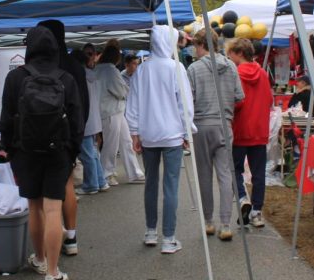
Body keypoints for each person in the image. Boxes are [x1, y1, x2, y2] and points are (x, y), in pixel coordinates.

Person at [0, 26, 85, 280]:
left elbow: (6, 120)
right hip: (58, 151)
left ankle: (38, 258)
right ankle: (53, 271)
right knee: (52, 208)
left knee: (34, 207)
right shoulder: (66, 78)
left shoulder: (16, 78)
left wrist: (12, 151)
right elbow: (77, 121)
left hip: (25, 151)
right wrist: (71, 152)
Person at [126, 26, 195, 253]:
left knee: (151, 184)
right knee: (171, 186)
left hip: (148, 135)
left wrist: (135, 133)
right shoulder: (176, 68)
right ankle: (169, 237)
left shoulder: (142, 70)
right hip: (172, 134)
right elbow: (184, 104)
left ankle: (150, 231)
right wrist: (186, 131)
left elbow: (133, 105)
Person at [188, 28, 244, 240]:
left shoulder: (193, 69)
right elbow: (239, 96)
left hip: (202, 124)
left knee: (204, 175)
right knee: (225, 174)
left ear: (201, 44)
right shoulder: (231, 66)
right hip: (224, 123)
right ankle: (226, 223)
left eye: (195, 45)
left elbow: (189, 100)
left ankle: (209, 222)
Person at [38, 19, 88, 256]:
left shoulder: (35, 66)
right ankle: (71, 237)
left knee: (43, 195)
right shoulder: (73, 66)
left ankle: (47, 246)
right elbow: (83, 105)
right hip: (66, 137)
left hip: (36, 139)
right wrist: (76, 139)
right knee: (66, 184)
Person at [228, 37, 273, 228]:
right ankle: (256, 212)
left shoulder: (235, 74)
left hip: (240, 129)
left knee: (234, 169)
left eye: (230, 53)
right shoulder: (262, 73)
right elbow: (270, 100)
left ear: (239, 53)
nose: (228, 56)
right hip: (259, 130)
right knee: (258, 173)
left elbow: (236, 102)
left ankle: (241, 198)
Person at [97, 45, 143, 185]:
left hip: (112, 110)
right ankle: (107, 174)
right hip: (112, 110)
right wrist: (127, 91)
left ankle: (133, 172)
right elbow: (120, 91)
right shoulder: (110, 70)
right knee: (113, 144)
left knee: (124, 142)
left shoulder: (100, 69)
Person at [74, 45, 108, 195]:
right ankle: (100, 181)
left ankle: (91, 184)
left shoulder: (79, 76)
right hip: (95, 118)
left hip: (85, 119)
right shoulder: (93, 75)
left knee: (87, 153)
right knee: (93, 152)